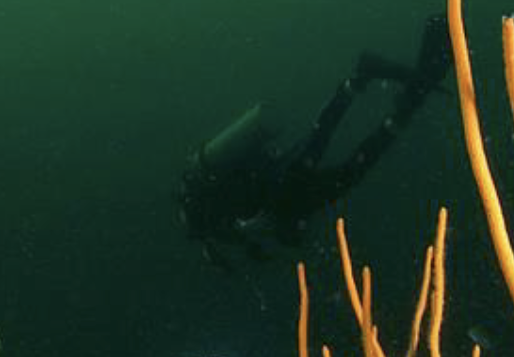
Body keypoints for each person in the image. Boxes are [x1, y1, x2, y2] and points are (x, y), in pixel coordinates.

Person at [178, 14, 453, 269]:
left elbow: (251, 223)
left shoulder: (214, 220)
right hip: (289, 190)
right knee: (331, 152)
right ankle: (381, 97)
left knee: (337, 160)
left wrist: (249, 233)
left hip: (284, 187)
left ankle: (377, 93)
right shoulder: (214, 219)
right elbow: (262, 228)